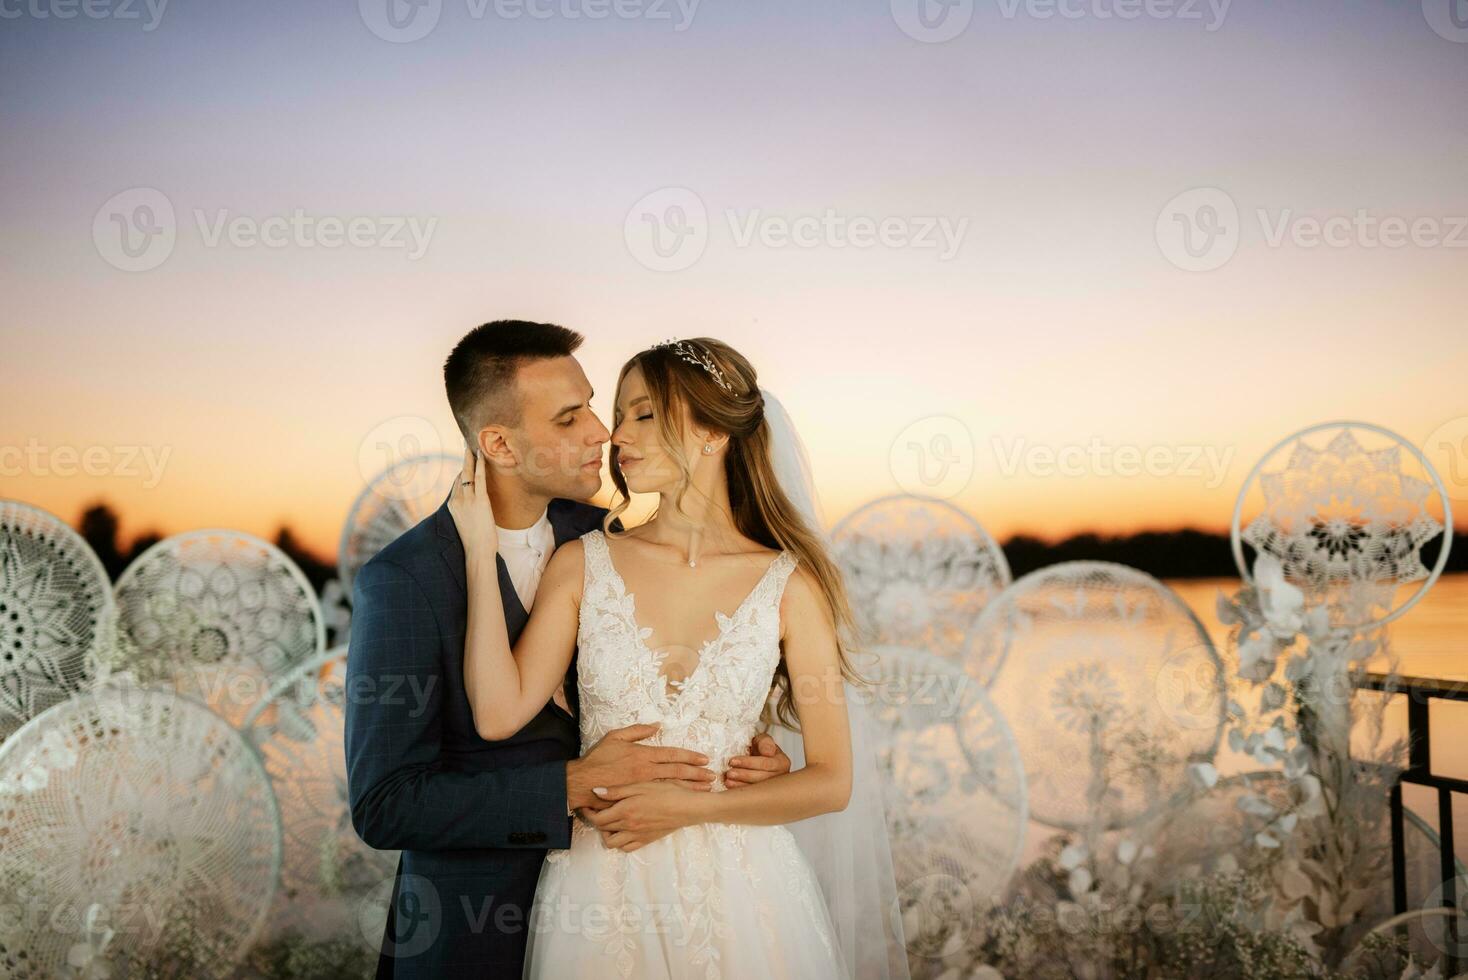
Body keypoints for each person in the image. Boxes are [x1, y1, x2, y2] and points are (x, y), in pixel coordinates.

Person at [344, 321, 792, 978]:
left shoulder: (604, 539)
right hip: (477, 930)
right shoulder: (404, 580)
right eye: (569, 418)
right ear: (498, 442)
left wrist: (739, 757)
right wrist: (571, 785)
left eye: (592, 406)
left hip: (639, 905)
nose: (602, 434)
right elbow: (385, 804)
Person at [448, 335, 867, 978]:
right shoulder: (583, 562)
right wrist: (478, 552)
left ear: (713, 432)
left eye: (643, 414)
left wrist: (694, 807)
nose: (617, 436)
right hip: (601, 887)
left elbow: (832, 781)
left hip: (745, 893)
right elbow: (499, 714)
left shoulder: (790, 585)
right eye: (620, 416)